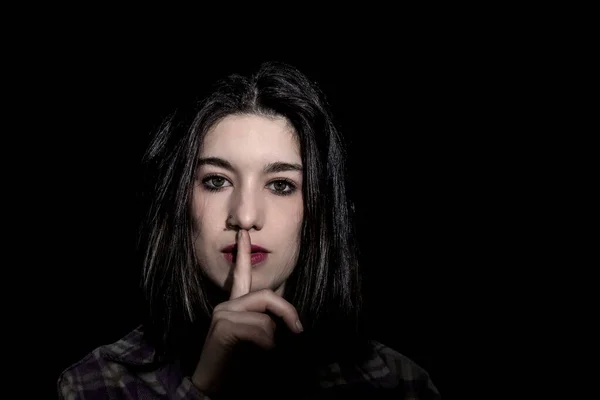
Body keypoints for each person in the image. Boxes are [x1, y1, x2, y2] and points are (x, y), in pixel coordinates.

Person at [57, 61, 440, 399]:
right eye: (216, 181)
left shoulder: (397, 384)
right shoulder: (100, 384)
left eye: (280, 185)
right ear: (179, 202)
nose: (244, 216)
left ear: (319, 211)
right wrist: (205, 388)